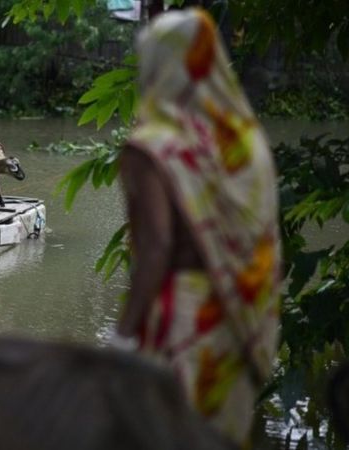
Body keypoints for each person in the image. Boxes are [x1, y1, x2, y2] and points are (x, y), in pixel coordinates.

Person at [114, 8, 281, 445]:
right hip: (237, 329)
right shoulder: (245, 142)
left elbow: (154, 250)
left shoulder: (152, 148)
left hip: (182, 328)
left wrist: (121, 338)